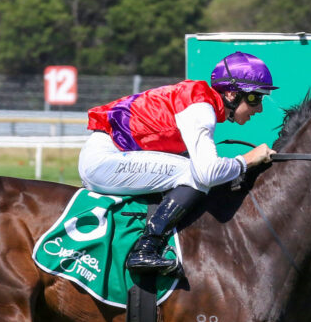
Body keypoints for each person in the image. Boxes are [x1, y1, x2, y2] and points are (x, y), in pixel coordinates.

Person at [79, 51, 278, 276]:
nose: (259, 108)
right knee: (196, 175)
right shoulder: (201, 109)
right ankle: (146, 248)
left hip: (109, 155)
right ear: (232, 94)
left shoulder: (200, 101)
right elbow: (207, 174)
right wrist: (247, 160)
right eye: (254, 98)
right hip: (104, 160)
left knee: (190, 166)